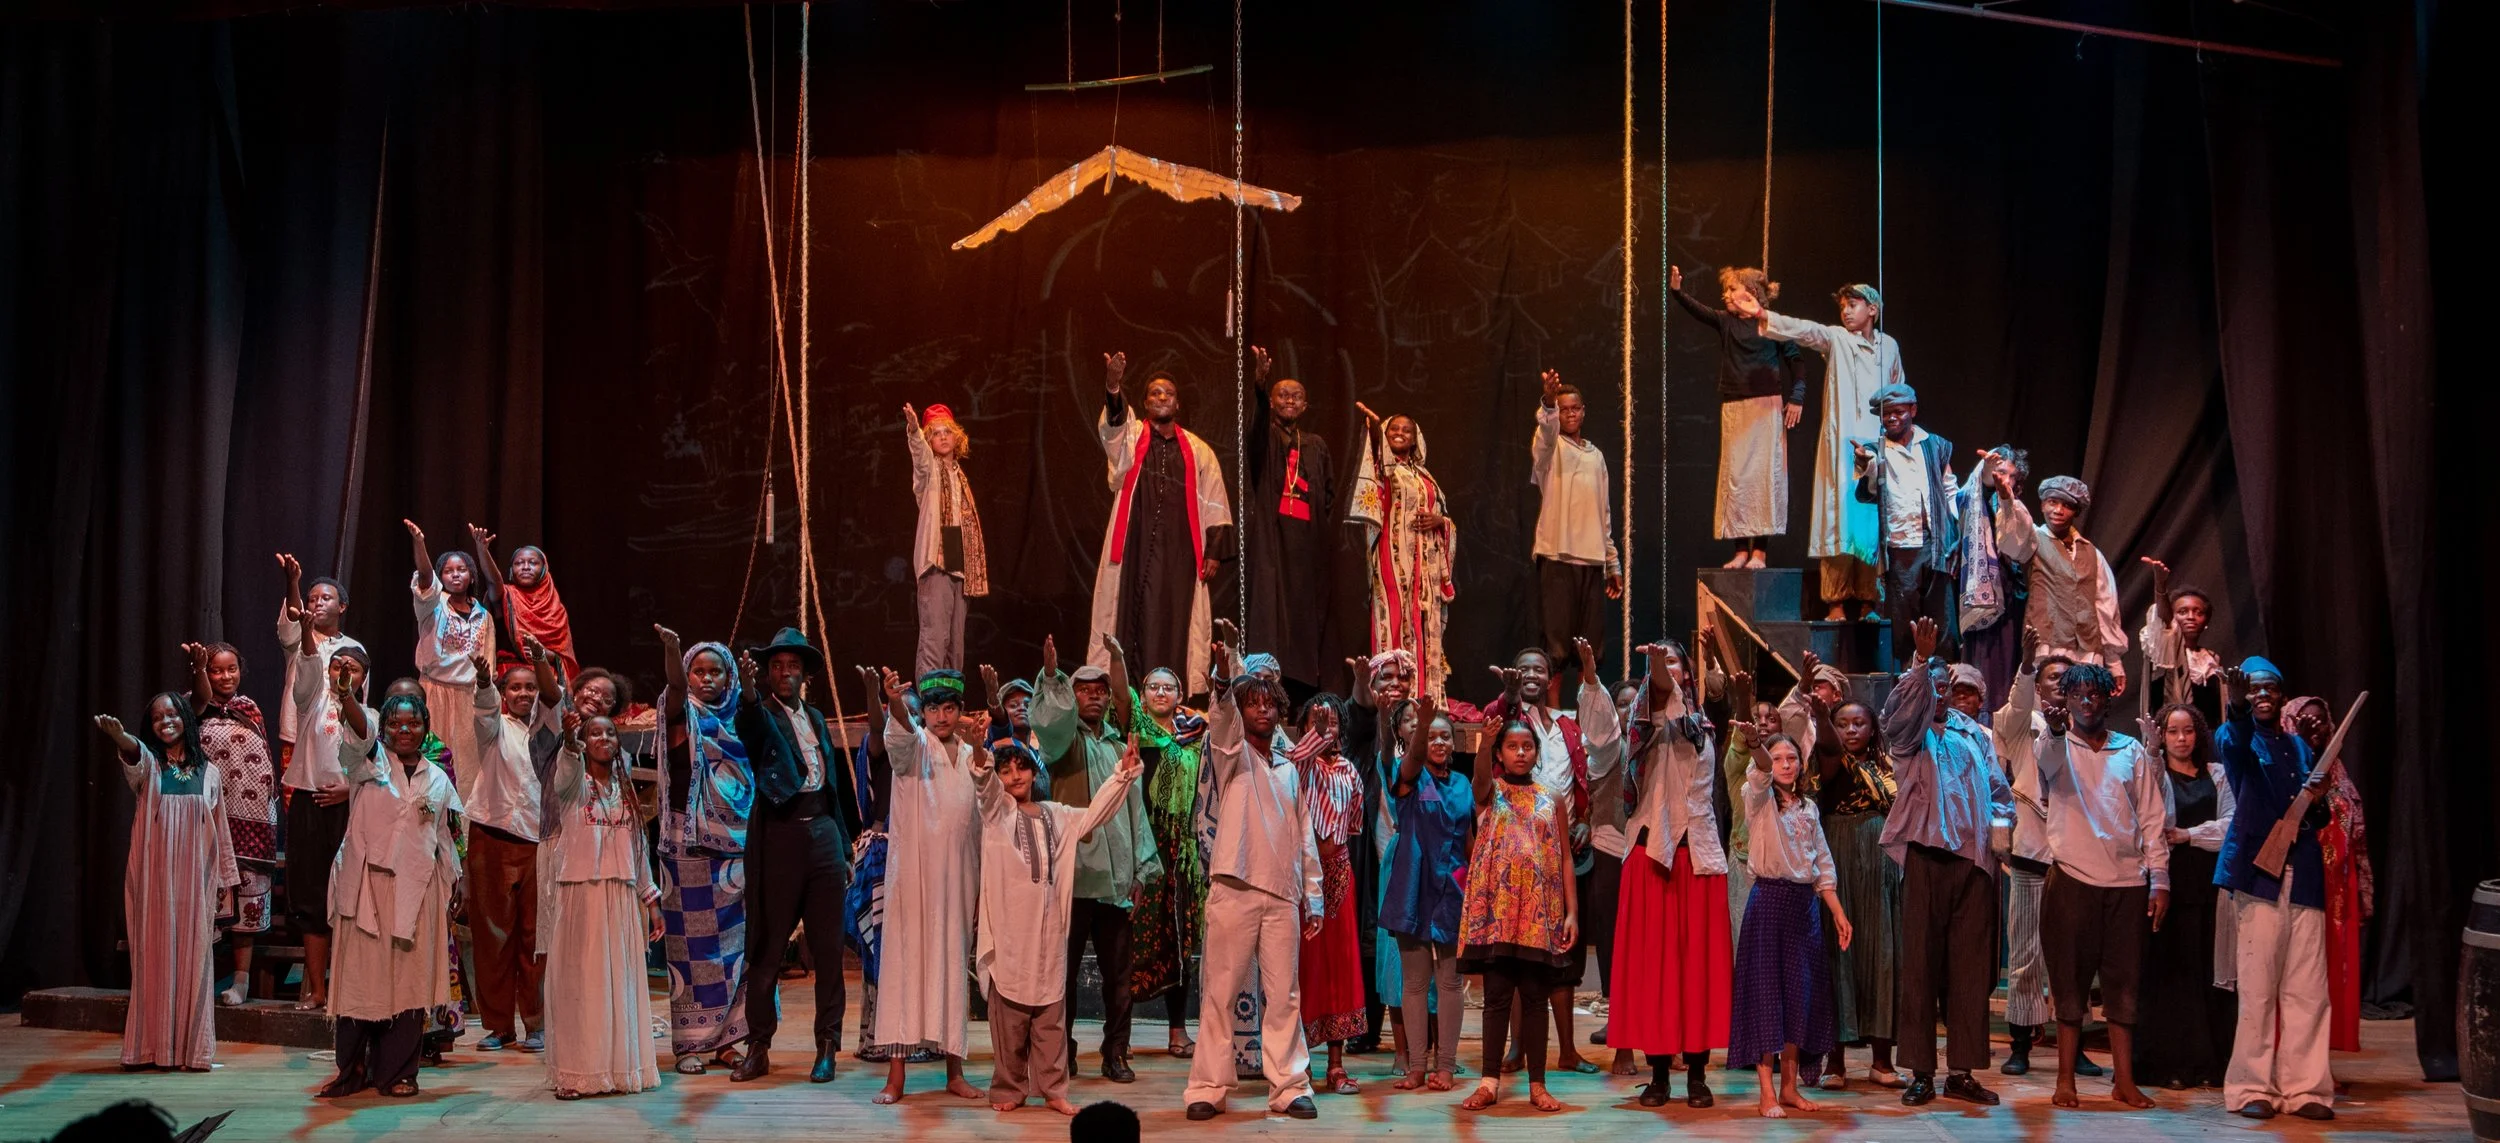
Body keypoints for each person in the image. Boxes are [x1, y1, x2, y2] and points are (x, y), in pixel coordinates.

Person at [1184, 643, 1324, 1122]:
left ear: (1279, 709)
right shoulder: (1232, 755)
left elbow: (1305, 837)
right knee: (1220, 991)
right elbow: (1220, 723)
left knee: (1284, 994)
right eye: (1252, 702)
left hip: (1282, 894)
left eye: (1269, 701)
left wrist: (1314, 898)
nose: (1261, 708)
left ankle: (1289, 1086)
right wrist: (1227, 679)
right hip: (1235, 886)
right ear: (1241, 711)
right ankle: (1207, 1086)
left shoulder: (1287, 770)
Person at [1878, 617, 2013, 1106]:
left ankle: (1962, 1072)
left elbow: (2000, 791)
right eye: (1930, 687)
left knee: (1971, 971)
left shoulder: (1975, 735)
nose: (1938, 695)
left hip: (1974, 864)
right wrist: (1917, 662)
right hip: (1927, 860)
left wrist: (1999, 836)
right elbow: (1897, 712)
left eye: (1943, 687)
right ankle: (1919, 1071)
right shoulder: (1911, 736)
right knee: (1920, 969)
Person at [974, 735, 1143, 1115]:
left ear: (1034, 771)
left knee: (1050, 1016)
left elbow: (1097, 812)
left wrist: (1124, 774)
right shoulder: (997, 813)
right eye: (1005, 770)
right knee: (1011, 1019)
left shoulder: (1056, 815)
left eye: (1020, 767)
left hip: (1048, 931)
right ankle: (1010, 1086)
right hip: (1010, 930)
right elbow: (983, 788)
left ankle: (1052, 1088)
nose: (1014, 776)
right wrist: (981, 755)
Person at [2032, 662, 2168, 1109]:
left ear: (2108, 699)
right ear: (2066, 701)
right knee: (2069, 984)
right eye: (2077, 695)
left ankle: (2123, 1081)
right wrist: (2053, 731)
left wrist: (2159, 878)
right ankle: (2066, 1079)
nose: (2086, 702)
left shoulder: (2129, 750)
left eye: (2094, 694)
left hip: (2128, 882)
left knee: (2123, 985)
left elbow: (2151, 817)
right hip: (2072, 878)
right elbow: (2046, 761)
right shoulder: (2056, 745)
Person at [1483, 640, 1621, 1077]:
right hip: (1516, 849)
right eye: (1524, 669)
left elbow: (1587, 779)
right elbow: (1492, 736)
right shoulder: (1510, 719)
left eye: (1539, 669)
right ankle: (1517, 1049)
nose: (1531, 675)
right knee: (1520, 952)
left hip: (1562, 849)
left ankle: (1566, 1051)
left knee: (1562, 954)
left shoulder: (1566, 726)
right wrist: (1506, 698)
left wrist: (1585, 817)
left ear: (1550, 678)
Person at [731, 628, 860, 1083]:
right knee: (767, 948)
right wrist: (747, 694)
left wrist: (844, 848)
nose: (784, 673)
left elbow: (833, 788)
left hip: (822, 832)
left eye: (792, 666)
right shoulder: (762, 713)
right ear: (767, 674)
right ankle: (758, 1045)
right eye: (776, 666)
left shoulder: (819, 719)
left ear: (804, 674)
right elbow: (750, 729)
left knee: (827, 950)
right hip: (780, 836)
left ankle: (827, 1046)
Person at [1032, 634, 1162, 1082]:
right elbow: (1050, 723)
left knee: (1118, 978)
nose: (1093, 696)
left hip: (1115, 880)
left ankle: (1116, 1053)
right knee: (1061, 975)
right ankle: (1060, 1054)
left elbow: (1135, 810)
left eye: (1100, 690)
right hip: (1072, 877)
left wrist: (1142, 871)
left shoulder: (1116, 744)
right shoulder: (1063, 744)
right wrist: (1051, 678)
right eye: (1084, 689)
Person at [321, 689, 463, 1099]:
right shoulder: (368, 764)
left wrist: (457, 878)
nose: (405, 730)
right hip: (368, 886)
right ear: (384, 729)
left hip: (417, 892)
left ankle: (400, 1072)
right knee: (360, 980)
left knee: (408, 984)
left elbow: (442, 836)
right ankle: (354, 1068)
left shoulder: (436, 778)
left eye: (414, 723)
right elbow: (360, 733)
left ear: (425, 730)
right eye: (396, 723)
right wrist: (347, 698)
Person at [2213, 659, 2334, 1120]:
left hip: (2302, 874)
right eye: (2254, 689)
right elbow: (2237, 746)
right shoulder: (2237, 737)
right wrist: (2237, 707)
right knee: (2259, 987)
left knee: (2307, 988)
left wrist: (2317, 801)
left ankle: (2305, 1089)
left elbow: (2314, 817)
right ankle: (2250, 1087)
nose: (2262, 695)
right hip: (2257, 876)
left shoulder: (2300, 747)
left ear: (2282, 696)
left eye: (2269, 689)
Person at [1607, 638, 1727, 1106]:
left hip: (1696, 856)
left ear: (1691, 671)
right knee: (1653, 970)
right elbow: (1659, 694)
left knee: (1696, 970)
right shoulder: (1647, 720)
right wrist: (1657, 665)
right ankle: (1658, 1074)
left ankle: (1697, 1073)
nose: (1669, 671)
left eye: (1677, 661)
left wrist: (1666, 670)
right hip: (1651, 854)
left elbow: (1680, 704)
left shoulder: (1702, 726)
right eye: (1664, 664)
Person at [93, 695, 239, 1071]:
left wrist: (225, 879)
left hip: (196, 881)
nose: (165, 721)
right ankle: (148, 1048)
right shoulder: (151, 767)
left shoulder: (209, 773)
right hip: (155, 878)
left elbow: (220, 828)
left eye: (172, 714)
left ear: (186, 719)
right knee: (154, 957)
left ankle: (192, 1052)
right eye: (157, 717)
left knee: (194, 959)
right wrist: (121, 737)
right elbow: (133, 753)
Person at [872, 665, 986, 1104]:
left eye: (949, 707)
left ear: (959, 710)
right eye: (933, 707)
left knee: (954, 969)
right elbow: (898, 735)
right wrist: (894, 702)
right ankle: (895, 1078)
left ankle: (954, 1072)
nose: (940, 715)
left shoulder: (971, 754)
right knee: (905, 969)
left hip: (958, 881)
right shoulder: (915, 745)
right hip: (914, 882)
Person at [1752, 284, 1901, 621]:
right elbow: (1805, 330)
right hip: (1842, 444)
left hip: (1876, 446)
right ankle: (1835, 600)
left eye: (1853, 305)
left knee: (1870, 522)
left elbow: (1897, 390)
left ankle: (1868, 600)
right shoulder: (1837, 338)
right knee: (1839, 519)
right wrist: (1764, 315)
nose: (1846, 312)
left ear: (1873, 310)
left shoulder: (1889, 347)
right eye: (1843, 306)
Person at [1089, 351, 1235, 694]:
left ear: (1178, 403)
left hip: (1180, 555)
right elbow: (1113, 426)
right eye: (1154, 393)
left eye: (1168, 393)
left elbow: (1215, 500)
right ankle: (1125, 693)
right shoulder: (1132, 436)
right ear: (1144, 402)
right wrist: (1113, 387)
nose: (1161, 397)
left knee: (1173, 620)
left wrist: (1213, 552)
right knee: (1125, 615)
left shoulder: (1198, 450)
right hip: (1134, 547)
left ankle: (1170, 694)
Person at [1455, 718, 1578, 1114]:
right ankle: (1489, 1080)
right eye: (1511, 746)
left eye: (1527, 746)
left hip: (1539, 915)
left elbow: (1564, 856)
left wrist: (1571, 912)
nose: (1520, 752)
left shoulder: (1552, 797)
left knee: (1535, 999)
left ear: (1536, 753)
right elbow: (1477, 780)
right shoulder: (1491, 792)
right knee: (1496, 998)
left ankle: (1538, 1084)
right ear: (1500, 754)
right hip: (1498, 912)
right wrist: (1485, 741)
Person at [651, 626, 756, 1076]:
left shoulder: (741, 716)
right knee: (689, 955)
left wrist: (751, 688)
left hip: (737, 851)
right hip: (687, 851)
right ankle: (690, 1044)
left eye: (716, 672)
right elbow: (674, 687)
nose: (707, 680)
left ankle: (730, 1042)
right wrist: (674, 653)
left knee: (735, 955)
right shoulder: (680, 712)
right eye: (699, 671)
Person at [541, 712, 663, 1099]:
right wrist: (568, 738)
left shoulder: (624, 790)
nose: (604, 738)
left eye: (610, 733)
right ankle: (577, 1073)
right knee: (582, 985)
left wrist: (651, 900)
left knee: (619, 986)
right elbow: (565, 766)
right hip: (583, 893)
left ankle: (620, 1069)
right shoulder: (574, 781)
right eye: (595, 733)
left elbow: (637, 849)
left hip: (622, 897)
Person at [1730, 729, 1851, 1119]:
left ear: (1801, 765)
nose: (1784, 763)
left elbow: (1823, 864)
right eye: (1778, 757)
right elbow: (1760, 771)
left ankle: (1789, 1088)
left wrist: (1836, 912)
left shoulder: (1809, 809)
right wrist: (1756, 747)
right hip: (1769, 902)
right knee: (1768, 996)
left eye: (1791, 758)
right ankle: (1766, 1091)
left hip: (1804, 908)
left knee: (1799, 997)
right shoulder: (1759, 798)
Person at [1992, 646, 2095, 1079]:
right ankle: (2020, 1043)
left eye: (2063, 678)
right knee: (2025, 955)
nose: (2057, 684)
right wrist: (2027, 669)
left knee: (2074, 957)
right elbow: (2015, 706)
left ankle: (2079, 1045)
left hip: (2076, 859)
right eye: (2049, 677)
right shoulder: (2022, 725)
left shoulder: (2088, 729)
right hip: (2032, 854)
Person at [1669, 265, 1806, 568]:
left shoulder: (1771, 325)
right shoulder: (1726, 321)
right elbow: (1700, 311)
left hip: (1766, 407)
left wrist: (1797, 397)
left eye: (1732, 289)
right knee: (1737, 478)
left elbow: (1796, 362)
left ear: (1752, 293)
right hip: (1735, 407)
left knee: (1764, 477)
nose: (1726, 294)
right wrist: (1678, 292)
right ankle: (1741, 549)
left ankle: (1760, 551)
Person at [274, 553, 364, 1011]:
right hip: (308, 785)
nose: (317, 602)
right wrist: (294, 584)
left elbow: (374, 757)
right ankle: (315, 986)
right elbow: (301, 647)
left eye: (325, 596)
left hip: (349, 797)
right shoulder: (310, 686)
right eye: (312, 597)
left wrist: (352, 788)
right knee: (308, 891)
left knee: (349, 891)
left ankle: (346, 985)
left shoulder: (361, 701)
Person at [2134, 703, 2238, 1090]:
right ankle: (2169, 1065)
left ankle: (2210, 1064)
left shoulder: (2218, 775)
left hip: (2209, 885)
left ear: (2199, 734)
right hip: (2170, 885)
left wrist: (2190, 835)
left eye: (2188, 731)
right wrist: (2152, 751)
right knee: (2171, 975)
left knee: (2208, 975)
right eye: (2172, 731)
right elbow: (2154, 811)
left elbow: (2231, 825)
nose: (2181, 739)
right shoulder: (2156, 772)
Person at [1808, 695, 1904, 1088]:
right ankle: (1836, 1062)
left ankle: (1882, 1061)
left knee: (1882, 952)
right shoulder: (1829, 761)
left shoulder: (1888, 765)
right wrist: (1818, 716)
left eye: (1858, 723)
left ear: (1873, 728)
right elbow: (1829, 746)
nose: (1850, 730)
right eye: (1842, 723)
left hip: (1880, 860)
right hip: (1840, 854)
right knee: (1838, 953)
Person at [460, 653, 551, 1053]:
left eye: (530, 687)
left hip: (538, 842)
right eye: (515, 687)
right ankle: (498, 1026)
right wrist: (484, 683)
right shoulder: (495, 728)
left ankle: (535, 1023)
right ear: (504, 693)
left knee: (534, 937)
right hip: (493, 835)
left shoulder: (551, 731)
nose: (524, 694)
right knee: (493, 936)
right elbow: (483, 712)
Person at [1381, 693, 1472, 1092]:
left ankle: (1446, 1066)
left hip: (1452, 886)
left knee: (1450, 982)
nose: (1437, 742)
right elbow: (1413, 758)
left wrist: (1475, 888)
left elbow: (1468, 838)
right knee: (1414, 983)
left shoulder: (1463, 784)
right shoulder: (1410, 775)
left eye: (1444, 737)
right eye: (1430, 735)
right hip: (1412, 882)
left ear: (1453, 745)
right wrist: (1424, 719)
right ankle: (1417, 1066)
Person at [181, 641, 275, 1006]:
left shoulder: (249, 708)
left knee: (247, 909)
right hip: (210, 819)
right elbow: (202, 700)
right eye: (216, 670)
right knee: (207, 903)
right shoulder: (192, 707)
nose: (225, 676)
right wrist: (199, 670)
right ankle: (199, 981)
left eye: (230, 669)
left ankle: (241, 981)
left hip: (253, 824)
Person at [1242, 346, 1336, 698]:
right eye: (1282, 395)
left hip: (1305, 546)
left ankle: (1298, 691)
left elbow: (1327, 496)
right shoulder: (1264, 436)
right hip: (1271, 538)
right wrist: (1260, 388)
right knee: (1269, 611)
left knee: (1302, 620)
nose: (1289, 401)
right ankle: (1264, 682)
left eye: (1296, 396)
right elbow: (1254, 430)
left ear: (1306, 405)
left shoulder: (1315, 445)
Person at [1122, 663, 1205, 1059]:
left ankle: (1177, 1031)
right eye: (1152, 686)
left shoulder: (1195, 737)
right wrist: (1121, 661)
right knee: (1131, 935)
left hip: (1182, 853)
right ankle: (1120, 1032)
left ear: (1180, 695)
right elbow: (1123, 696)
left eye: (1168, 687)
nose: (1160, 693)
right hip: (1143, 844)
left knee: (1180, 938)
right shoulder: (1137, 732)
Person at [2282, 694, 2372, 1057]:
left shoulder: (2338, 771)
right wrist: (2300, 748)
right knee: (2301, 974)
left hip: (2338, 886)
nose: (2315, 727)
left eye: (2321, 720)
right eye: (2306, 720)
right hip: (2302, 883)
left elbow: (2355, 831)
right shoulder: (2287, 768)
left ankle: (2322, 1060)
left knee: (2334, 973)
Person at [1349, 408, 1456, 704]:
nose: (1399, 433)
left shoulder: (1425, 477)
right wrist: (1372, 432)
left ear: (1415, 439)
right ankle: (1390, 697)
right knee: (1393, 622)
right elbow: (1370, 489)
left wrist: (1441, 523)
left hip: (1426, 566)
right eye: (1393, 429)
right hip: (1391, 560)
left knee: (1423, 627)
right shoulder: (1383, 469)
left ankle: (1425, 696)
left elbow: (1444, 517)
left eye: (1406, 430)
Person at [1288, 693, 1367, 1093]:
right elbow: (1298, 768)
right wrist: (1314, 740)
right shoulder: (1296, 765)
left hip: (1338, 872)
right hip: (1301, 873)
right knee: (1301, 967)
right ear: (1303, 728)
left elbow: (1352, 826)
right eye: (1317, 722)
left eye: (1333, 722)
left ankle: (1336, 1064)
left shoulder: (1351, 772)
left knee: (1339, 965)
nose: (1326, 729)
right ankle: (1298, 1062)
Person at [1852, 385, 1960, 670]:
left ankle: (1943, 675)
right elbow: (1871, 484)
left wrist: (1955, 528)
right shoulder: (1876, 449)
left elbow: (1949, 488)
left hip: (1934, 542)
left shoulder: (1935, 444)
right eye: (1886, 414)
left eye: (1899, 412)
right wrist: (1866, 464)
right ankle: (1909, 675)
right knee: (1904, 615)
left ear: (1912, 410)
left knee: (1941, 613)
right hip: (1900, 545)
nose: (1892, 419)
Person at [1528, 369, 1624, 689]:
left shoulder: (1596, 457)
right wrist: (1548, 403)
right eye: (1563, 408)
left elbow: (1604, 514)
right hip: (1557, 555)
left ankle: (1586, 716)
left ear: (1583, 411)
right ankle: (1554, 717)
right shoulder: (1551, 449)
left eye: (1574, 408)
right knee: (1555, 645)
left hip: (1592, 558)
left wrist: (1612, 562)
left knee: (1590, 647)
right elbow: (1545, 432)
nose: (1569, 413)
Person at [403, 520, 498, 832]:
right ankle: (425, 833)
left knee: (468, 773)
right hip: (434, 693)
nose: (455, 574)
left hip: (469, 698)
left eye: (461, 569)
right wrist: (420, 544)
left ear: (471, 575)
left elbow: (488, 664)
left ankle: (463, 843)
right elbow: (426, 580)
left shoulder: (483, 615)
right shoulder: (432, 607)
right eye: (449, 570)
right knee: (432, 764)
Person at [1994, 476, 2127, 692]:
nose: (2058, 510)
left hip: (2087, 648)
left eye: (2066, 505)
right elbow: (2010, 540)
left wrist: (2114, 663)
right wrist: (2006, 499)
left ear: (2076, 511)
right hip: (2047, 643)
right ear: (2042, 505)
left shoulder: (2092, 553)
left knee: (2085, 706)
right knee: (2048, 707)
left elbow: (2106, 606)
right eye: (2052, 502)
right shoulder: (2034, 539)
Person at [904, 402, 989, 676]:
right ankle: (932, 703)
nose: (942, 436)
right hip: (936, 557)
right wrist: (914, 431)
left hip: (955, 551)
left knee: (955, 643)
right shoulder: (930, 472)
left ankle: (951, 704)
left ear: (957, 437)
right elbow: (920, 457)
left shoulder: (959, 477)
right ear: (929, 440)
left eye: (947, 431)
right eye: (935, 432)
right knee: (934, 639)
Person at [1956, 447, 2031, 708]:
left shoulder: (2017, 511)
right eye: (1999, 472)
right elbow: (1978, 491)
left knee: (2005, 664)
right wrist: (1989, 473)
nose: (2003, 479)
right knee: (1981, 661)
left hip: (2010, 596)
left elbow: (2019, 548)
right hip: (1980, 594)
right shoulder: (1977, 502)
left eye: (2009, 475)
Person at [468, 527, 579, 684]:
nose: (526, 567)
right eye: (519, 563)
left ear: (544, 569)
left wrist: (547, 654)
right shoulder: (506, 595)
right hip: (509, 677)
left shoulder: (557, 610)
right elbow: (494, 580)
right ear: (512, 570)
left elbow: (565, 656)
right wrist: (482, 550)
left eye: (533, 563)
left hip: (545, 680)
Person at [2140, 560, 2222, 725]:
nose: (2191, 617)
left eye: (2198, 612)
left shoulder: (2211, 659)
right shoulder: (2164, 653)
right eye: (2183, 612)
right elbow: (2164, 622)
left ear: (2206, 620)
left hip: (2205, 738)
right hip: (2171, 736)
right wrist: (2160, 587)